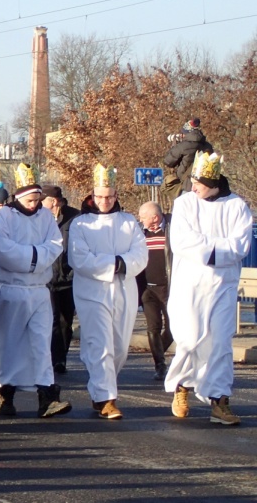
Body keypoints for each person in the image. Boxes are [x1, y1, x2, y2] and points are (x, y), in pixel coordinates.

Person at [0, 163, 71, 419]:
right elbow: (1, 250)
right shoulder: (5, 217)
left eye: (38, 199)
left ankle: (47, 397)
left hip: (39, 290)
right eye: (30, 199)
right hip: (11, 289)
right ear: (19, 197)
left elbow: (55, 245)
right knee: (10, 344)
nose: (34, 204)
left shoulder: (46, 217)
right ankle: (6, 394)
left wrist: (34, 258)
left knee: (41, 343)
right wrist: (35, 257)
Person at [166, 151, 252, 425]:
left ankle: (219, 399)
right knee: (190, 339)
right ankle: (182, 385)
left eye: (198, 183)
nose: (193, 187)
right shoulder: (185, 204)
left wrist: (208, 247)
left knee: (220, 343)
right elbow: (182, 241)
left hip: (223, 286)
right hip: (189, 285)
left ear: (214, 183)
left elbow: (240, 245)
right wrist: (218, 248)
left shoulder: (237, 206)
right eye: (192, 181)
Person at [68, 165, 148, 420]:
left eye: (110, 196)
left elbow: (140, 253)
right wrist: (114, 263)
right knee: (100, 343)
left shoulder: (128, 221)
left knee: (120, 347)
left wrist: (123, 264)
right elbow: (79, 258)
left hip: (124, 288)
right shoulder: (81, 224)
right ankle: (106, 398)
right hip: (92, 290)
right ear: (92, 195)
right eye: (100, 196)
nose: (105, 202)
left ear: (116, 195)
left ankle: (100, 388)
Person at [41, 185, 80, 375]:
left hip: (68, 278)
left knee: (66, 320)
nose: (40, 204)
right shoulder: (40, 217)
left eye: (44, 200)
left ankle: (61, 356)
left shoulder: (75, 218)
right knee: (52, 319)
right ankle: (52, 358)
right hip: (47, 278)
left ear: (53, 201)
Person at [137, 201, 173, 381]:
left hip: (168, 287)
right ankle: (159, 364)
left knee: (173, 326)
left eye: (143, 217)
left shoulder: (171, 230)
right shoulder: (139, 233)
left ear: (155, 217)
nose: (140, 220)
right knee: (153, 327)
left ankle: (160, 349)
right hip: (146, 288)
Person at [163, 118, 213, 194]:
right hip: (204, 185)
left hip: (187, 185)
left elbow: (168, 162)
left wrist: (175, 145)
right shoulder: (208, 146)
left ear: (186, 133)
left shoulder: (183, 146)